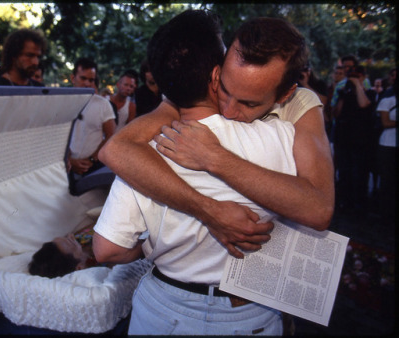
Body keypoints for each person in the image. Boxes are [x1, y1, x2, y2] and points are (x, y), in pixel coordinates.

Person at [93, 10, 302, 335]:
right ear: (217, 75)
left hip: (163, 311)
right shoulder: (281, 136)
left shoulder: (141, 154)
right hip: (247, 314)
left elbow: (107, 249)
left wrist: (155, 246)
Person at [99, 16, 334, 258]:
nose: (229, 111)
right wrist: (208, 211)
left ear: (284, 94)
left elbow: (319, 209)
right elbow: (115, 149)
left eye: (249, 103)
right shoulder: (182, 99)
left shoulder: (300, 104)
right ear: (217, 71)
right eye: (224, 88)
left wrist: (214, 157)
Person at [67, 58, 116, 192]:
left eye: (91, 80)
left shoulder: (103, 104)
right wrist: (69, 160)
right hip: (65, 167)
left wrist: (92, 159)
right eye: (83, 78)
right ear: (73, 78)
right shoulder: (63, 102)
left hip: (94, 167)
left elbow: (111, 136)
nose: (88, 83)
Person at [333, 65, 375, 216]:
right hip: (344, 139)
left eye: (358, 76)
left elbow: (364, 104)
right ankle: (345, 202)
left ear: (363, 77)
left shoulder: (370, 92)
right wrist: (343, 95)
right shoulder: (344, 92)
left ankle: (359, 204)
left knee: (359, 173)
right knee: (345, 173)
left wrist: (358, 85)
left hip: (361, 140)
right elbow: (336, 113)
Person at [29, 230, 96, 278]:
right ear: (79, 267)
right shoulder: (99, 270)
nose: (71, 235)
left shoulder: (82, 238)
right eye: (71, 242)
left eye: (66, 237)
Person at [375, 80, 396, 225]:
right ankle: (385, 215)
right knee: (387, 181)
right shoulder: (388, 100)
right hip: (388, 145)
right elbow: (385, 122)